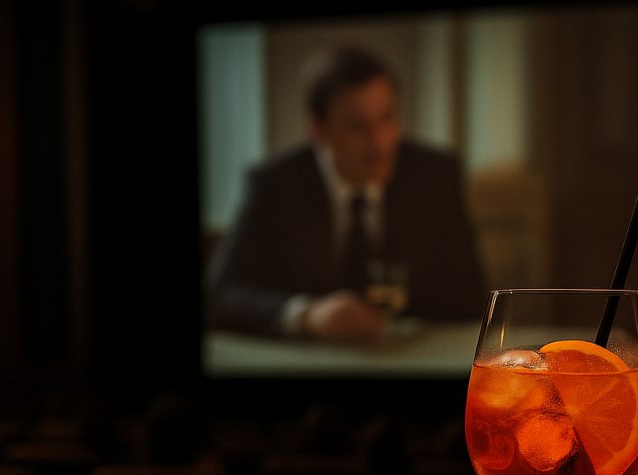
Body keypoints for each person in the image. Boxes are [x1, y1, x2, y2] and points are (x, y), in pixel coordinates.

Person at [205, 44, 488, 343]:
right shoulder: (275, 183)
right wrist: (307, 314)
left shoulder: (435, 175)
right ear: (318, 130)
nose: (379, 144)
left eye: (387, 118)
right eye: (357, 127)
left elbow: (470, 297)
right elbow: (220, 293)